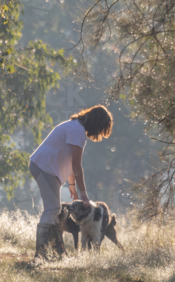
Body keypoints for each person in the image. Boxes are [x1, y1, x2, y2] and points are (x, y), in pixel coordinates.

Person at [29, 105, 113, 258]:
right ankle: (40, 254)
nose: (100, 133)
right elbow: (76, 165)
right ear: (96, 123)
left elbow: (70, 162)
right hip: (43, 167)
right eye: (101, 128)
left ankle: (58, 252)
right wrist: (84, 195)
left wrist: (72, 186)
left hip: (48, 169)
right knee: (53, 209)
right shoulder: (77, 132)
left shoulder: (76, 127)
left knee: (54, 211)